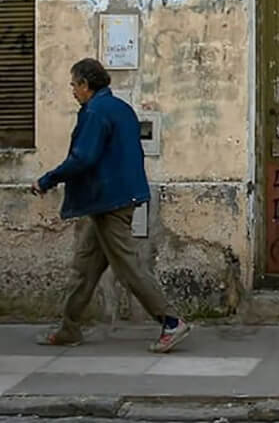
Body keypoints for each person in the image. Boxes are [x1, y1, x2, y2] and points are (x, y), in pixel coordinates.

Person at [32, 58, 190, 353]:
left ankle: (171, 321)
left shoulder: (95, 112)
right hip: (113, 198)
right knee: (85, 267)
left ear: (86, 85)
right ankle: (69, 328)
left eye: (74, 85)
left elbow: (83, 157)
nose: (72, 91)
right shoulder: (120, 108)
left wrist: (47, 180)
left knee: (128, 267)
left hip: (110, 201)